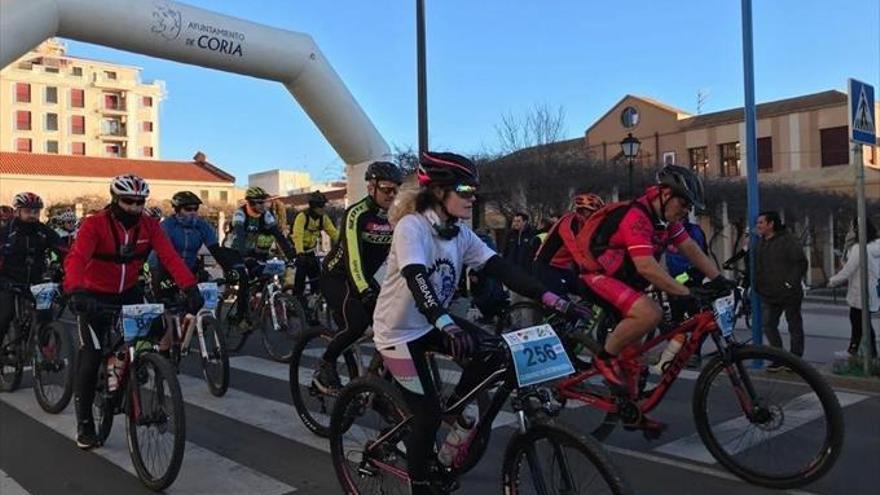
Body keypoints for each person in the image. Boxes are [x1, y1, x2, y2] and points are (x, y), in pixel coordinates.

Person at [372, 151, 585, 495]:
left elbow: (503, 269)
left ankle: (453, 407)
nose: (472, 198)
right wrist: (443, 319)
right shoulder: (413, 226)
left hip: (432, 324)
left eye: (474, 190)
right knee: (425, 418)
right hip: (398, 332)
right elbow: (416, 277)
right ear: (439, 191)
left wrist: (553, 299)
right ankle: (421, 485)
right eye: (464, 190)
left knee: (493, 352)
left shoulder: (461, 234)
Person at [574, 165, 728, 432]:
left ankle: (632, 410)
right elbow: (646, 266)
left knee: (635, 354)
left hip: (626, 282)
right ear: (665, 193)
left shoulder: (665, 222)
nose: (686, 211)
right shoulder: (637, 217)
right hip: (597, 275)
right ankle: (604, 358)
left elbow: (691, 248)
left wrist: (720, 280)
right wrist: (686, 292)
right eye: (684, 203)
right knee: (650, 313)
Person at [64, 174, 203, 449]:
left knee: (155, 330)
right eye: (128, 201)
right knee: (90, 357)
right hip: (92, 295)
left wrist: (190, 287)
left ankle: (133, 369)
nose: (134, 208)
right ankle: (85, 424)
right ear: (115, 200)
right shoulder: (95, 224)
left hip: (128, 292)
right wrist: (76, 290)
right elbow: (77, 258)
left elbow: (170, 257)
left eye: (140, 202)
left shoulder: (149, 226)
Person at [312, 161, 402, 391]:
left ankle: (381, 389)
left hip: (362, 275)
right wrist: (365, 291)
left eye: (396, 189)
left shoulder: (395, 216)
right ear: (371, 187)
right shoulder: (357, 213)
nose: (391, 195)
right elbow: (353, 258)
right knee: (357, 325)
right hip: (338, 275)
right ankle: (326, 362)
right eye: (386, 189)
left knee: (394, 325)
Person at [148, 191, 240, 351]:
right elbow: (163, 255)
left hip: (190, 268)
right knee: (169, 310)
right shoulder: (167, 226)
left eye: (195, 209)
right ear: (177, 210)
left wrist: (229, 269)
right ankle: (164, 347)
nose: (192, 213)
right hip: (164, 268)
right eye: (187, 209)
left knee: (200, 295)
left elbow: (216, 250)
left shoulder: (202, 226)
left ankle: (192, 323)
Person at [0, 193, 66, 351]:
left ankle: (44, 352)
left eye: (36, 212)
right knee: (5, 315)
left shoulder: (44, 232)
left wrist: (66, 271)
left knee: (45, 314)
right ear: (17, 212)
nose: (32, 215)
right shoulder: (6, 232)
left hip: (36, 281)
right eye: (28, 211)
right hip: (8, 280)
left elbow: (65, 251)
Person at [229, 186, 296, 326]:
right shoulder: (240, 214)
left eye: (264, 202)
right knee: (244, 280)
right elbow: (240, 236)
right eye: (260, 203)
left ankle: (257, 299)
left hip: (253, 251)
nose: (263, 205)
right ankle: (239, 316)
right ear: (250, 203)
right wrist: (243, 254)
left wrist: (291, 255)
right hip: (235, 250)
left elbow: (278, 236)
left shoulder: (265, 215)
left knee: (266, 273)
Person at [655, 216, 710, 371]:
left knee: (695, 320)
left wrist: (690, 277)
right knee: (677, 320)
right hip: (674, 281)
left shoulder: (693, 231)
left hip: (691, 280)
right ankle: (678, 352)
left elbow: (700, 253)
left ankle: (694, 353)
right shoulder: (666, 232)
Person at [754, 210, 807, 370]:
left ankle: (795, 360)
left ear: (771, 224)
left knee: (794, 326)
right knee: (768, 325)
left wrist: (789, 283)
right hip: (769, 293)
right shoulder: (760, 243)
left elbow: (800, 263)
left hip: (789, 293)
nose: (758, 226)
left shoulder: (788, 241)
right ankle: (779, 358)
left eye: (761, 223)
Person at [533, 191, 605, 294]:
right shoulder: (568, 223)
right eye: (592, 213)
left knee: (586, 292)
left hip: (562, 268)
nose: (595, 217)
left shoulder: (587, 225)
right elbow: (577, 251)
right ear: (582, 211)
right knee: (561, 302)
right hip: (545, 266)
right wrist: (595, 268)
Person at [827, 218, 879, 358]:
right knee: (863, 323)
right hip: (872, 289)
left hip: (860, 291)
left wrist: (832, 281)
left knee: (860, 323)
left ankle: (860, 352)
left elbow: (849, 269)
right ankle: (867, 353)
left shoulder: (859, 248)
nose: (849, 230)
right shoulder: (876, 245)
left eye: (851, 227)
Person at [291, 191, 339, 311]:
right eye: (321, 206)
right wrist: (300, 253)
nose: (323, 208)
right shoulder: (302, 217)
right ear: (313, 206)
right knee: (300, 278)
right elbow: (297, 235)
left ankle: (314, 301)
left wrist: (344, 243)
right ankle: (296, 301)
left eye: (324, 205)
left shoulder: (323, 218)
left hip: (311, 251)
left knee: (317, 278)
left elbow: (333, 233)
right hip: (299, 251)